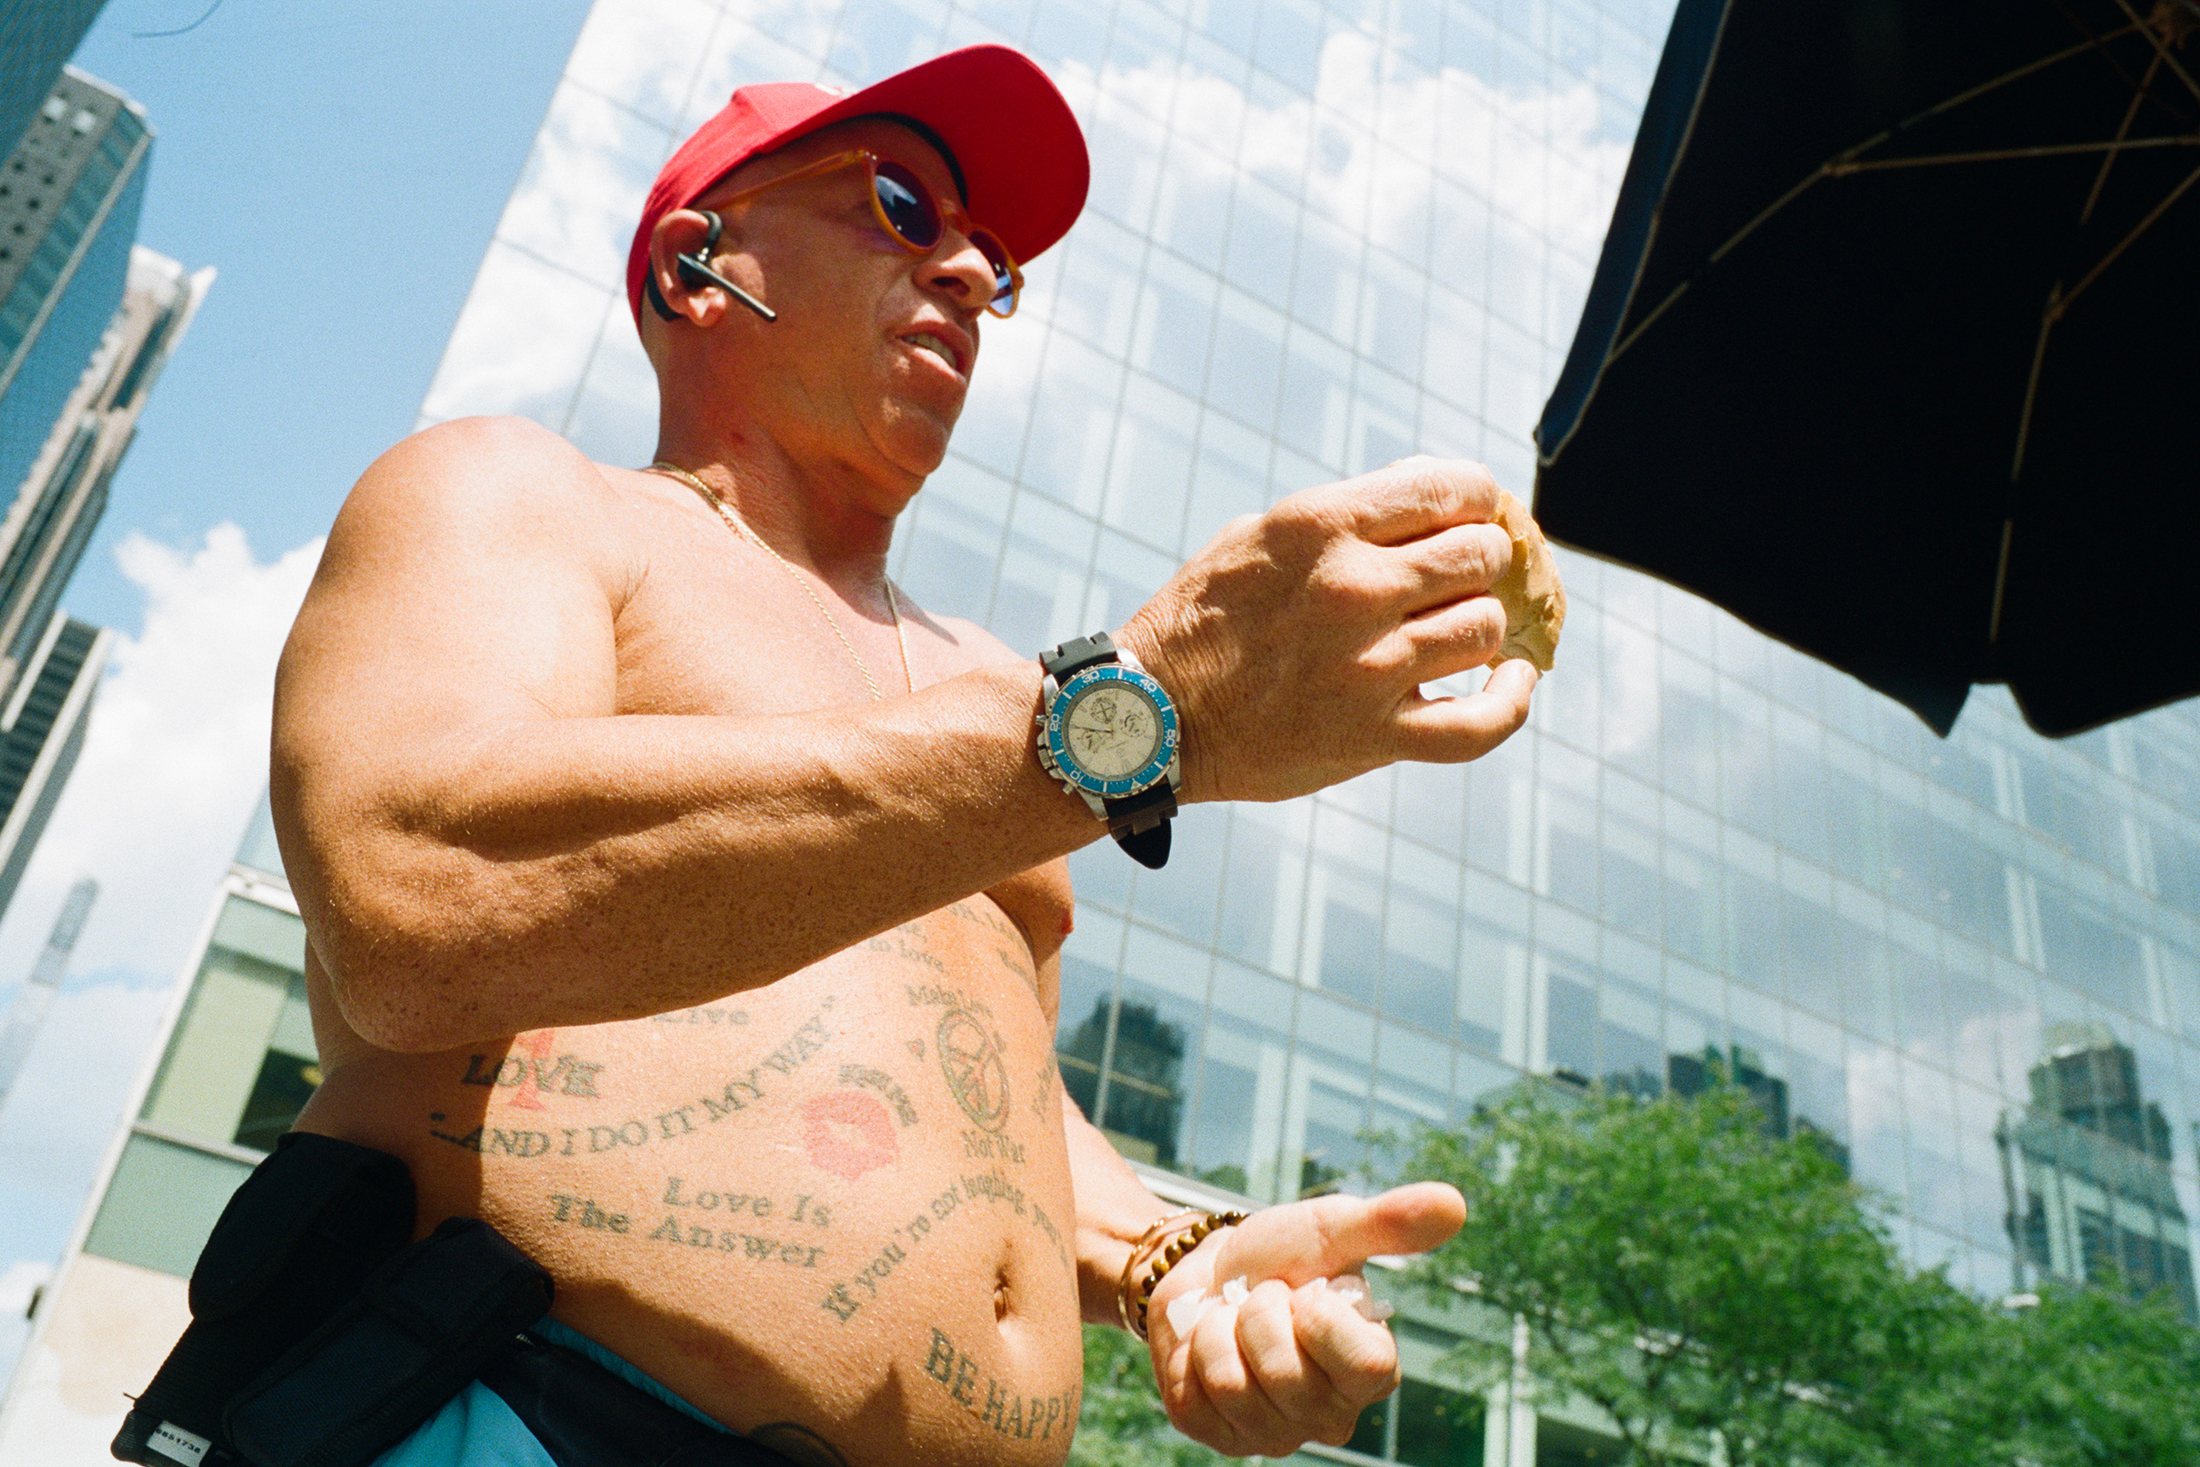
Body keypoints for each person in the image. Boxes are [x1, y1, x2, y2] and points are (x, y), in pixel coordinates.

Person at [268, 42, 1538, 1467]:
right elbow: (411, 899)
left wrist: (1167, 1262)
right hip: (515, 1405)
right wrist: (1125, 720)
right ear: (700, 263)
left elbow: (988, 1095)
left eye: (993, 266)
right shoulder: (529, 497)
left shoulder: (999, 692)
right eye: (899, 205)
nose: (964, 280)